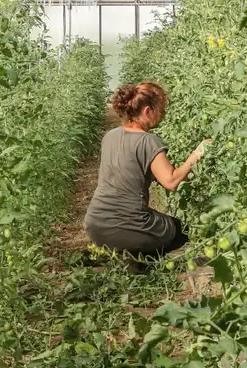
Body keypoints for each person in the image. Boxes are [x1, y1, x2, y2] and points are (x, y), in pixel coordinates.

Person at [84, 81, 210, 260]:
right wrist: (198, 153)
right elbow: (171, 182)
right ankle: (141, 258)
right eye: (161, 110)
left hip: (95, 225)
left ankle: (125, 256)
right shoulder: (148, 141)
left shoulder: (109, 137)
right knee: (181, 230)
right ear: (147, 111)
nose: (163, 115)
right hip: (129, 226)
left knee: (143, 226)